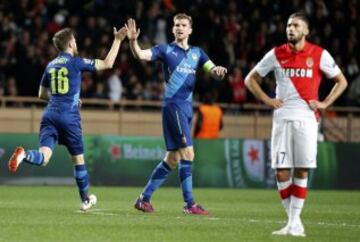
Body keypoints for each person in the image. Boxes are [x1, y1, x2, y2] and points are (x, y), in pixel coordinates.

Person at [245, 12, 347, 236]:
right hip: (281, 118)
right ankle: (293, 222)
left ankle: (293, 223)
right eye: (288, 25)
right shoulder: (276, 53)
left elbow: (341, 81)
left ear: (306, 31)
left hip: (307, 119)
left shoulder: (319, 54)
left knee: (301, 168)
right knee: (281, 171)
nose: (290, 29)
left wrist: (325, 103)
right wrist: (267, 100)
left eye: (295, 25)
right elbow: (250, 78)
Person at [8, 26, 127, 211]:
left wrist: (62, 97)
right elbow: (108, 63)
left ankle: (24, 155)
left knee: (44, 157)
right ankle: (86, 199)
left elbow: (41, 94)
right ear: (71, 42)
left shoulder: (50, 65)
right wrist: (118, 40)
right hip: (68, 117)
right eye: (75, 40)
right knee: (78, 161)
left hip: (49, 115)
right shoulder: (76, 62)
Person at [125, 14, 227, 215]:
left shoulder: (198, 53)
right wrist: (133, 41)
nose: (180, 28)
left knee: (172, 159)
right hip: (174, 107)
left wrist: (219, 71)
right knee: (188, 153)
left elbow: (212, 70)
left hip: (187, 108)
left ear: (190, 30)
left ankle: (143, 199)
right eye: (176, 25)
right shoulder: (165, 49)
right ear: (173, 30)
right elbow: (140, 55)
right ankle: (189, 204)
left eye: (183, 25)